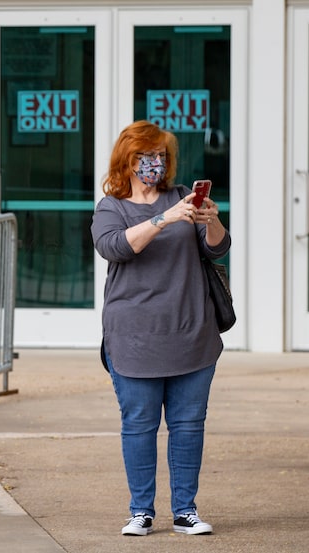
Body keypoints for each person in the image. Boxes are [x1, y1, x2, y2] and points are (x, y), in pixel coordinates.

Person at [90, 120, 230, 537]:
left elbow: (217, 247)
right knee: (139, 425)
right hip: (133, 338)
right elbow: (113, 247)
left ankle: (185, 510)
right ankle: (141, 512)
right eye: (145, 157)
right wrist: (163, 219)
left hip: (192, 333)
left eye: (160, 156)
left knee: (188, 426)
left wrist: (210, 220)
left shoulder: (181, 196)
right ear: (127, 161)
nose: (154, 163)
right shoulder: (111, 207)